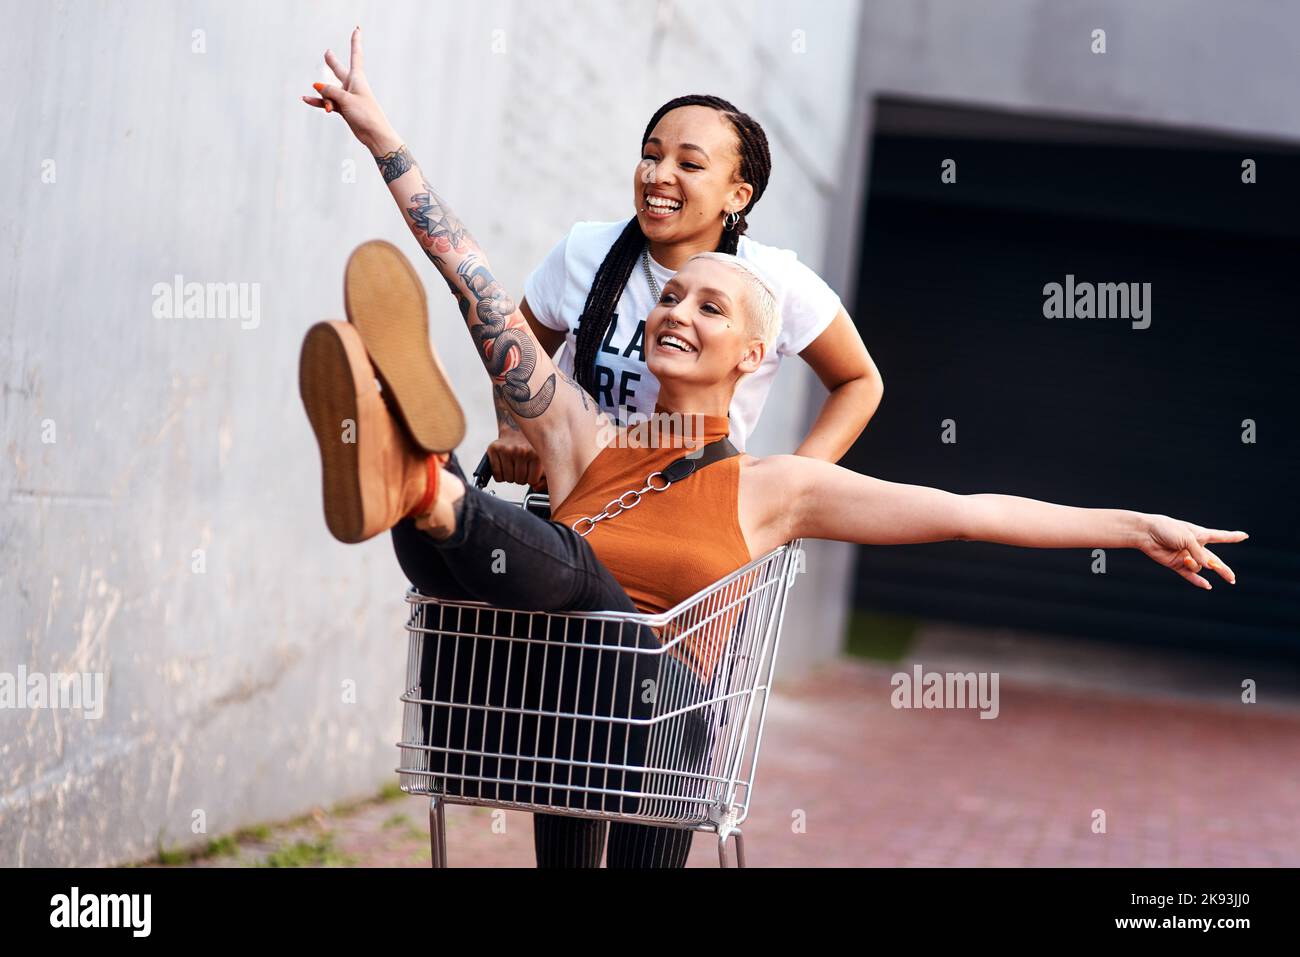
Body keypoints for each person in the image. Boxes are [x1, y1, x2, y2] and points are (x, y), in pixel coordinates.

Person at [301, 33, 1248, 869]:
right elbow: (477, 288)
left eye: (710, 306)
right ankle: (420, 478)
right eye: (671, 299)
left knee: (593, 596)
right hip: (546, 705)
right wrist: (383, 140)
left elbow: (970, 512)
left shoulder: (777, 490)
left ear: (755, 353)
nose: (677, 309)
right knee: (497, 556)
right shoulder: (582, 434)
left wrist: (1134, 525)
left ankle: (431, 483)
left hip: (654, 724)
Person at [302, 27, 883, 494]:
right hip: (574, 486)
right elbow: (515, 352)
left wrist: (794, 482)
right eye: (651, 156)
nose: (659, 175)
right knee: (474, 593)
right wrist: (514, 432)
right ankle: (414, 477)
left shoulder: (772, 282)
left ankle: (424, 488)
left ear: (738, 195)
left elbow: (859, 380)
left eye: (690, 163)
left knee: (523, 565)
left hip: (690, 501)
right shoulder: (587, 252)